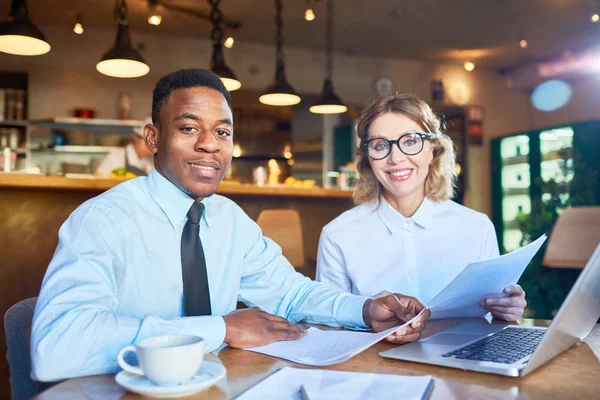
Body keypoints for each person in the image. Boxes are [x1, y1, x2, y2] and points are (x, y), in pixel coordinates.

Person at [30, 70, 430, 382]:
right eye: (189, 128)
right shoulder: (103, 220)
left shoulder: (228, 218)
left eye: (222, 131)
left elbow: (289, 293)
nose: (210, 144)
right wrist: (220, 328)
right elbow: (56, 346)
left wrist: (363, 309)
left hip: (220, 385)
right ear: (153, 138)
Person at [316, 93, 527, 325]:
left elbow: (489, 315)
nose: (395, 158)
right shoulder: (338, 234)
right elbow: (329, 323)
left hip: (461, 358)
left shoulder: (477, 227)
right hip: (373, 358)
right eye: (380, 145)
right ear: (367, 157)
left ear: (433, 150)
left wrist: (505, 310)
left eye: (410, 141)